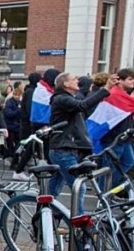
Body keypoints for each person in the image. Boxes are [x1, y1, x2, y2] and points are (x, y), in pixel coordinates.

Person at [47, 72, 112, 212]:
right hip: (62, 149)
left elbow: (85, 106)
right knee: (79, 187)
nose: (77, 80)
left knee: (53, 190)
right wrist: (105, 90)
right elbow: (82, 106)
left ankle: (44, 217)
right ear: (65, 84)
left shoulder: (68, 98)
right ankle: (79, 224)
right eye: (74, 79)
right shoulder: (62, 99)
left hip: (65, 148)